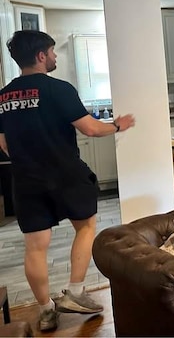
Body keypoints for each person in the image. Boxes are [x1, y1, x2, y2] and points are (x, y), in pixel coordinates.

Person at [0, 30, 135, 331]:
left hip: (26, 179)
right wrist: (117, 125)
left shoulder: (3, 97)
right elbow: (90, 129)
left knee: (35, 246)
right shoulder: (58, 89)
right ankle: (75, 291)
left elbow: (4, 144)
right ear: (40, 56)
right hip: (65, 173)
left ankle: (46, 311)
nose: (54, 56)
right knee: (86, 225)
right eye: (51, 51)